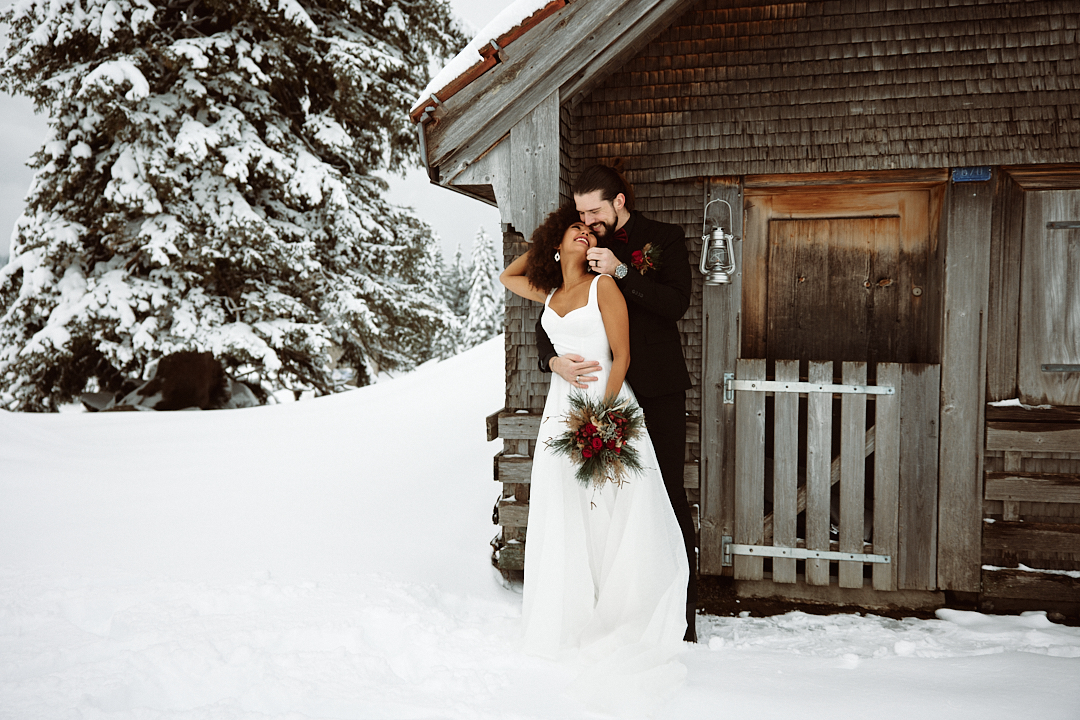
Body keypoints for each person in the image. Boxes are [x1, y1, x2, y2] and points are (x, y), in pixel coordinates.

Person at [500, 205, 689, 701]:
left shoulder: (603, 287)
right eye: (576, 231)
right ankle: (574, 610)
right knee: (567, 511)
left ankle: (622, 615)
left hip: (605, 408)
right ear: (559, 245)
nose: (585, 235)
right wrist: (554, 360)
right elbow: (508, 274)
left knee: (613, 512)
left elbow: (621, 355)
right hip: (559, 414)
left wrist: (603, 419)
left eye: (590, 230)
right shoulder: (552, 292)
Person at [536, 164, 698, 642]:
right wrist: (552, 361)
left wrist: (622, 271)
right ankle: (611, 608)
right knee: (603, 504)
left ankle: (681, 620)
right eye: (581, 211)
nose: (587, 218)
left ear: (620, 201)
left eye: (594, 210)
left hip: (657, 390)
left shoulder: (664, 238)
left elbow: (676, 304)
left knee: (666, 497)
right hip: (598, 393)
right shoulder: (582, 245)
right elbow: (553, 315)